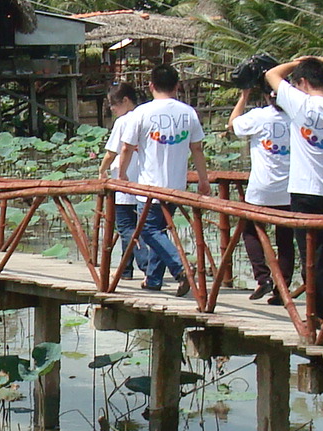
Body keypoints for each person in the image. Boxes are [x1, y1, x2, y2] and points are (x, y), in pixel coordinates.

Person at [264, 54, 323, 316]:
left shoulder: (300, 103)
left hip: (305, 190)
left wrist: (296, 62)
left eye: (296, 83)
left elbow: (271, 75)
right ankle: (322, 309)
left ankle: (317, 313)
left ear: (303, 82)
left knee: (309, 254)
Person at [111, 64, 209, 294]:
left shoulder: (142, 113)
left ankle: (181, 267)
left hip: (149, 186)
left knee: (147, 231)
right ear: (177, 86)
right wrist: (203, 180)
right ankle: (153, 280)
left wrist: (123, 175)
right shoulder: (188, 112)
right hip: (176, 185)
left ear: (151, 85)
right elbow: (197, 149)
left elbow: (126, 148)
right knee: (159, 230)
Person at [228, 58, 294, 303]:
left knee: (251, 231)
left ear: (266, 96)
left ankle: (263, 278)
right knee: (286, 240)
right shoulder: (297, 117)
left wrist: (243, 97)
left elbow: (233, 124)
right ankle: (282, 289)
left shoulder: (259, 117)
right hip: (290, 189)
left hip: (262, 189)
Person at [98, 83, 143, 281]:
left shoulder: (124, 121)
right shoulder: (145, 116)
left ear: (125, 101)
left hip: (124, 179)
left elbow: (111, 153)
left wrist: (101, 170)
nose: (112, 109)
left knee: (125, 227)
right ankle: (126, 270)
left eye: (113, 105)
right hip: (144, 181)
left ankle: (147, 264)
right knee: (139, 226)